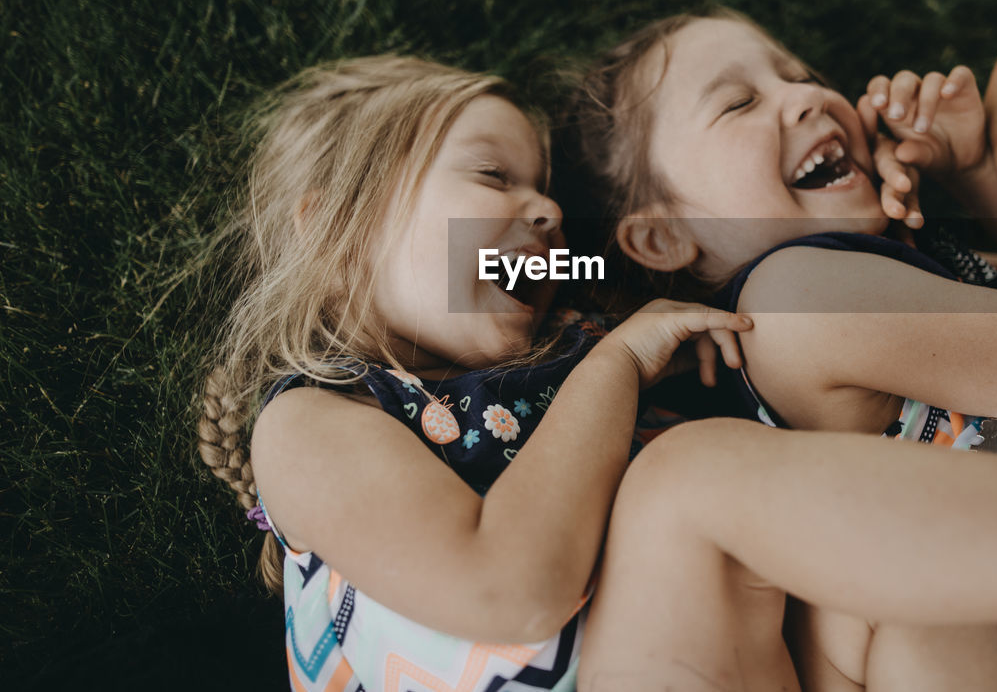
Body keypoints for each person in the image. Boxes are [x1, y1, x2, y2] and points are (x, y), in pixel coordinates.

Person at [569, 7, 997, 689]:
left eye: (799, 74)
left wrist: (972, 171)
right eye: (739, 103)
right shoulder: (790, 301)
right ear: (663, 238)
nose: (808, 97)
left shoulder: (871, 267)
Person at [195, 54, 756, 691]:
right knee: (698, 470)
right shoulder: (312, 423)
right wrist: (618, 365)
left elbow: (691, 277)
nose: (550, 210)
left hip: (745, 640)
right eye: (493, 175)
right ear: (337, 234)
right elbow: (511, 590)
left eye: (545, 189)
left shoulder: (574, 344)